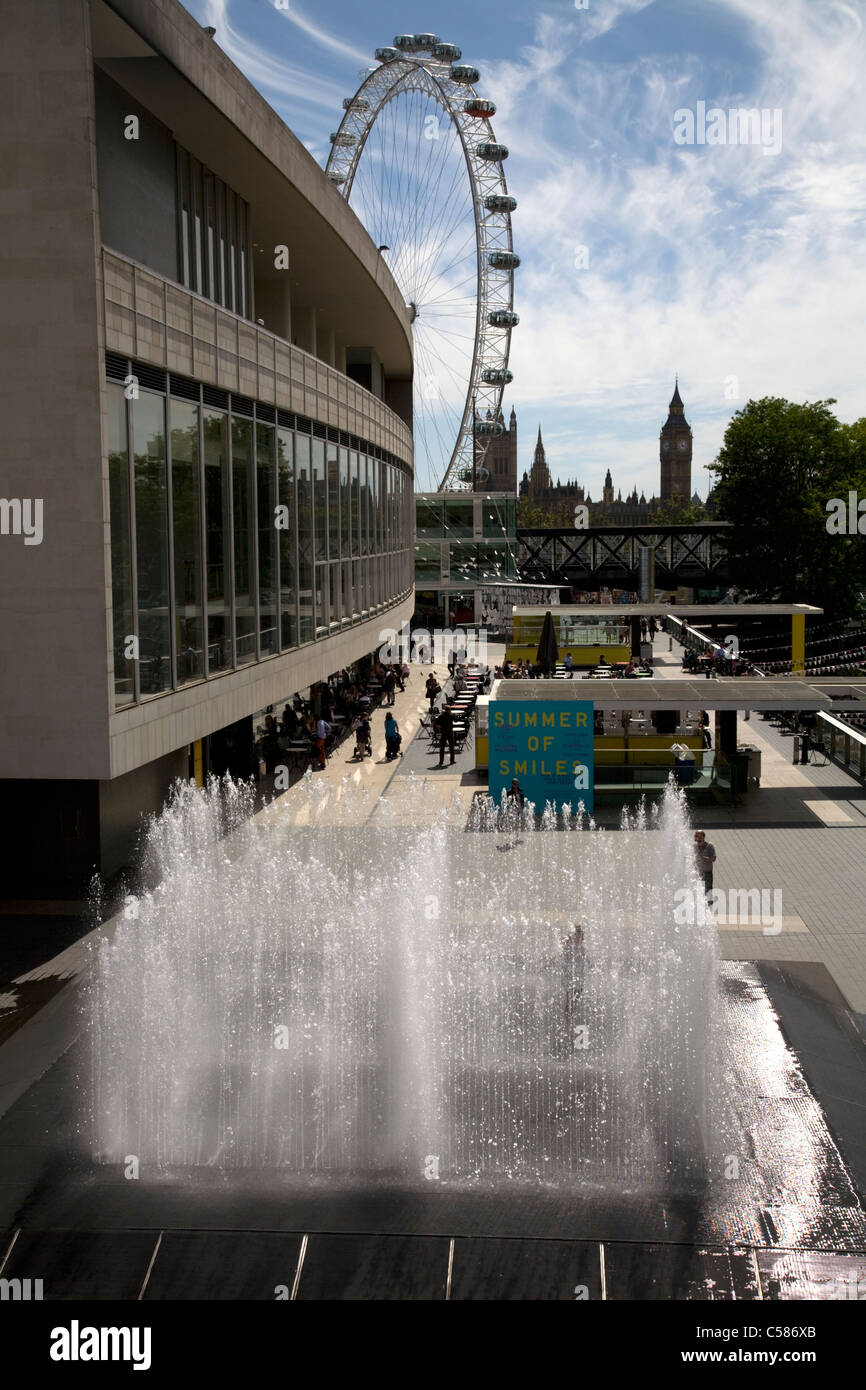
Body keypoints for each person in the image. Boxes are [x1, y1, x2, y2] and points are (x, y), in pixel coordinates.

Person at [694, 830, 716, 896]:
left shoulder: (709, 846)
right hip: (697, 873)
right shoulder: (694, 846)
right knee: (698, 893)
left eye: (698, 836)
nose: (696, 837)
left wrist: (702, 857)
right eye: (695, 836)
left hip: (707, 873)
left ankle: (708, 905)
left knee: (708, 893)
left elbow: (713, 858)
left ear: (703, 837)